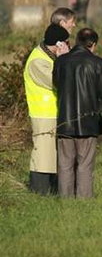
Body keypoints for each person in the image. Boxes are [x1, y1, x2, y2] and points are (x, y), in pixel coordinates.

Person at [53, 28, 102, 198]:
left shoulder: (61, 61)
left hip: (65, 121)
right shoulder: (98, 63)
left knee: (65, 164)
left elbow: (56, 84)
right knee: (85, 164)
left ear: (77, 41)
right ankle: (84, 200)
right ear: (92, 44)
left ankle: (65, 199)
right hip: (88, 121)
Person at [23, 23, 70, 195]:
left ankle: (50, 189)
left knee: (51, 155)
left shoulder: (47, 57)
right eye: (65, 43)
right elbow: (58, 81)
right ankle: (39, 190)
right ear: (58, 44)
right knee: (43, 155)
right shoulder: (38, 61)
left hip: (51, 113)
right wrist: (63, 59)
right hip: (43, 113)